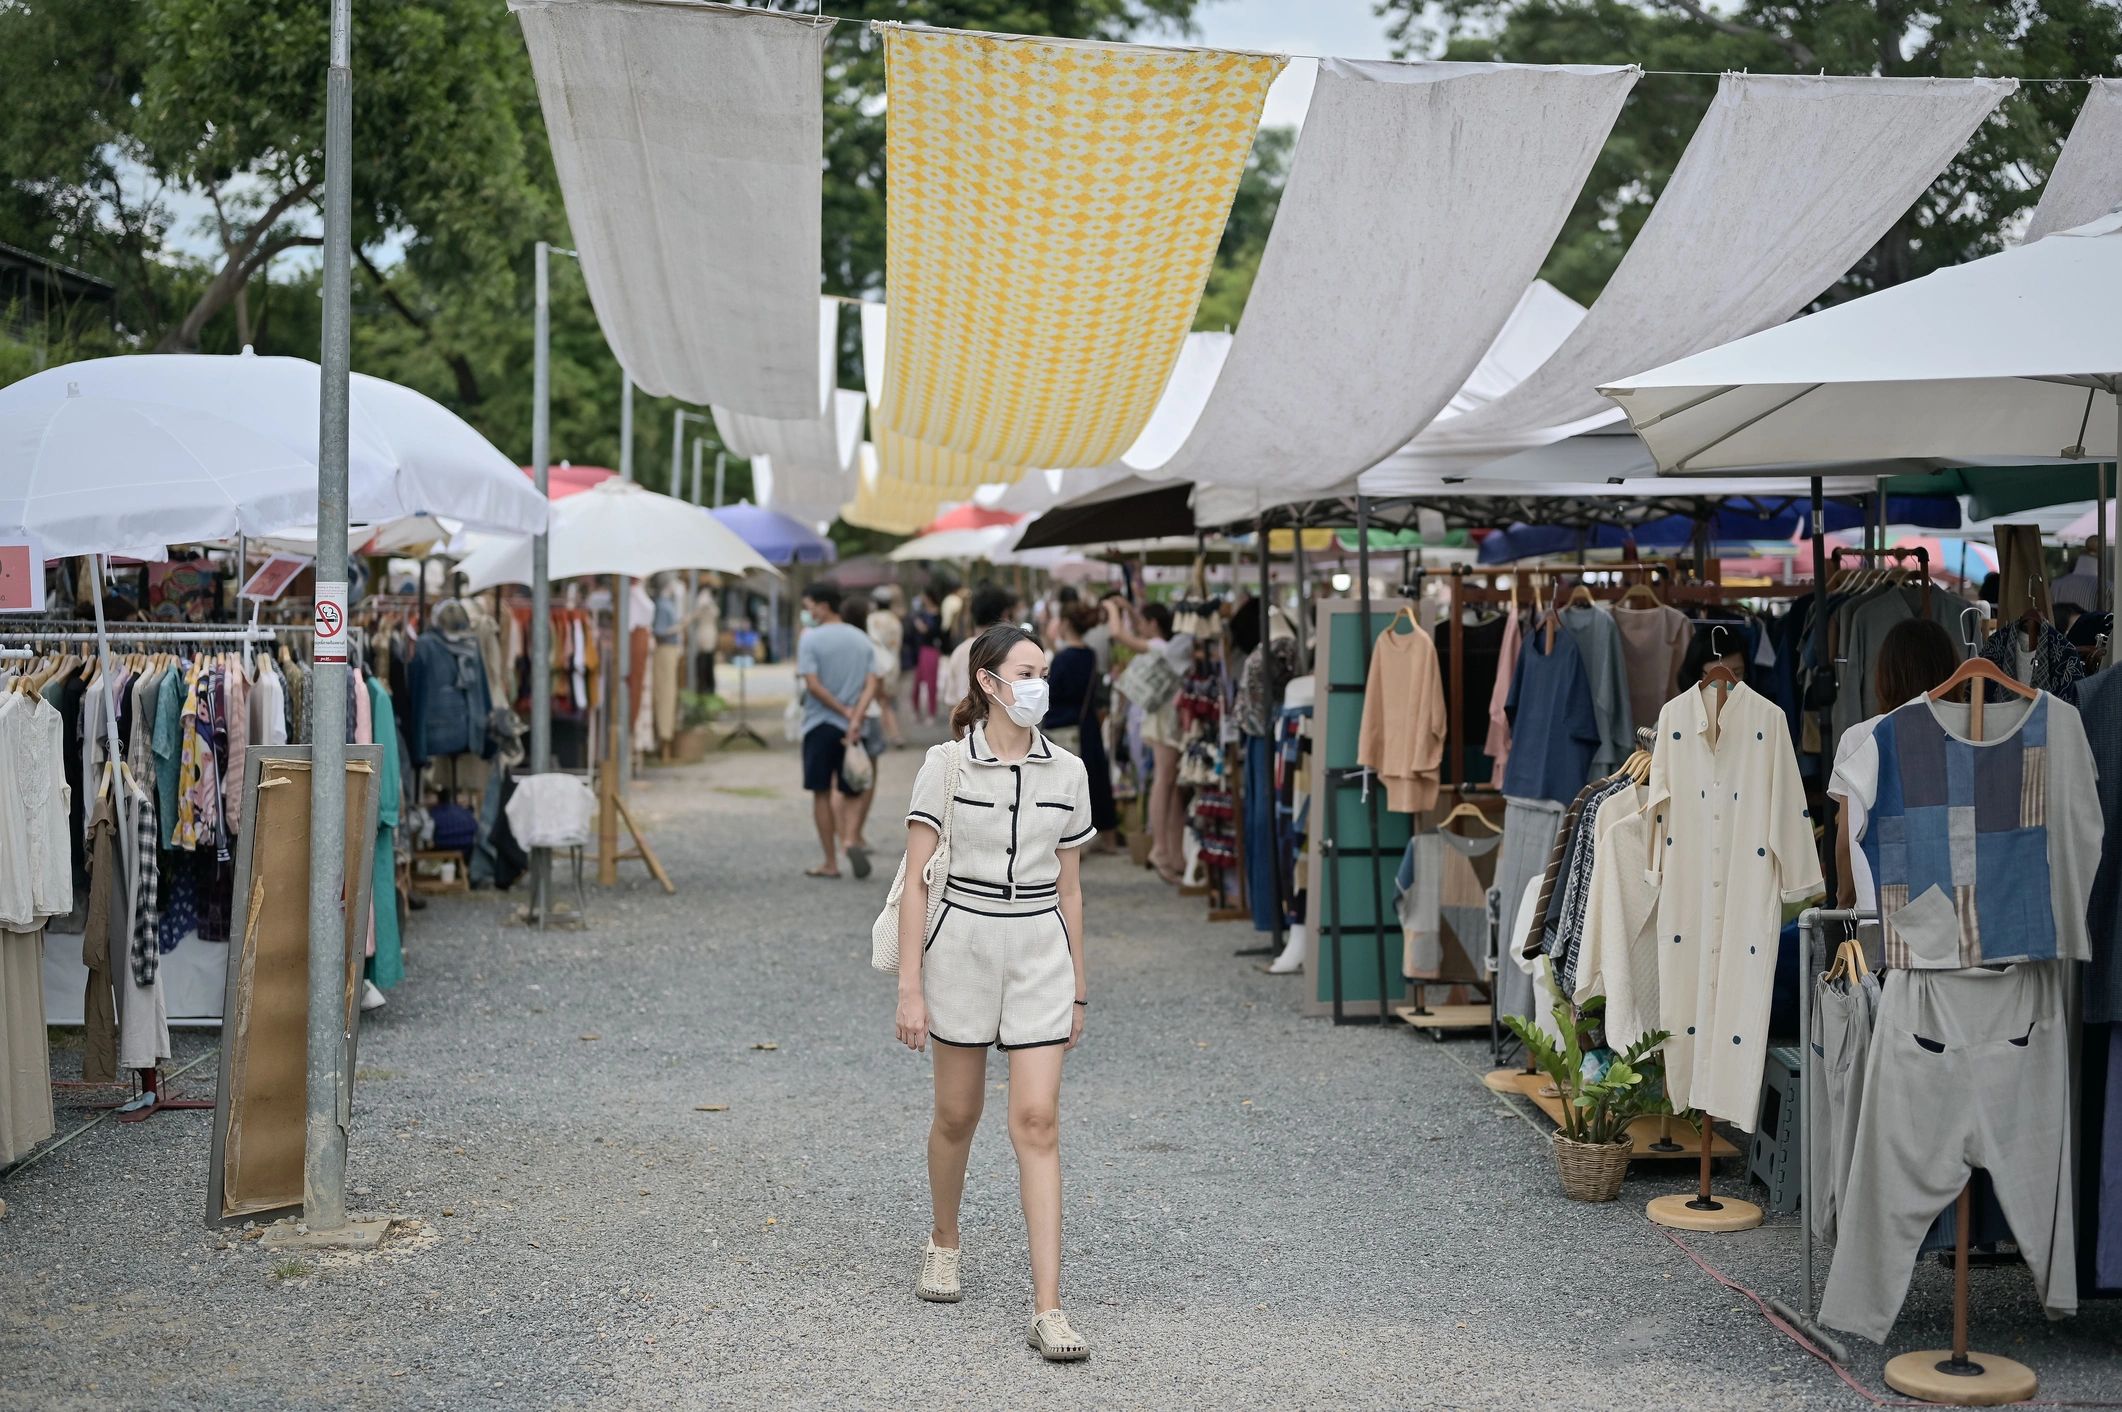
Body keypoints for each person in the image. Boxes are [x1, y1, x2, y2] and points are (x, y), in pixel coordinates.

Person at [894, 624, 1096, 1361]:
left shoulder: (1068, 772)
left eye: (1044, 669)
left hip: (1041, 950)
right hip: (964, 945)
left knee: (1038, 1121)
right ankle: (944, 1238)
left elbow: (1072, 890)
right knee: (956, 1114)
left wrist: (1079, 990)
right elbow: (917, 885)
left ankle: (1049, 1308)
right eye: (1027, 669)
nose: (1040, 681)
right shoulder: (945, 766)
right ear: (989, 681)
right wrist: (909, 988)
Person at [1829, 616, 1959, 908]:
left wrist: (1843, 899)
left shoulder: (1860, 737)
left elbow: (1846, 841)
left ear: (1886, 675)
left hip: (1883, 916)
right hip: (1960, 912)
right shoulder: (1971, 735)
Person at [795, 581, 877, 880]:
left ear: (823, 605)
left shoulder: (810, 640)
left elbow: (812, 684)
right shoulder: (861, 639)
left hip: (819, 724)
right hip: (854, 727)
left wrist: (841, 710)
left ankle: (830, 862)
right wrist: (855, 715)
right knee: (852, 787)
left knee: (820, 791)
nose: (809, 612)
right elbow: (872, 682)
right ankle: (851, 838)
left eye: (810, 606)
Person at [1105, 598, 1187, 884]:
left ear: (1154, 624)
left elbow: (1119, 634)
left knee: (1168, 783)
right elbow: (1134, 630)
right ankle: (1164, 850)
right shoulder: (1167, 646)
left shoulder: (1161, 647)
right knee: (1167, 782)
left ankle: (1166, 850)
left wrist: (1114, 611)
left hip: (1162, 717)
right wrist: (1126, 607)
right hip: (1166, 717)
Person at [1046, 604, 1119, 851]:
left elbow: (1052, 694)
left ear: (1065, 624)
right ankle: (1108, 838)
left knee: (1067, 786)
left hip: (1064, 725)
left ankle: (1074, 842)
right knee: (1096, 780)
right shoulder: (1090, 654)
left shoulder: (1062, 658)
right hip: (1087, 723)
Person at [840, 593, 890, 854]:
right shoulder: (870, 644)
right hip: (867, 713)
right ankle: (855, 834)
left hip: (838, 713)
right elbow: (879, 681)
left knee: (840, 777)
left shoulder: (836, 643)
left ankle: (842, 835)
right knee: (866, 776)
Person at [941, 583, 1010, 710]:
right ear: (1005, 614)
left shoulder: (960, 651)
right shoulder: (1011, 650)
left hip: (968, 727)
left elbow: (952, 702)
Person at [867, 585, 907, 749]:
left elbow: (872, 643)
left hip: (877, 666)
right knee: (887, 702)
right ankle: (894, 734)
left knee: (880, 702)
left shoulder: (872, 619)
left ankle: (891, 735)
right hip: (893, 666)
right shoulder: (895, 619)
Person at [906, 590, 945, 726]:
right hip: (921, 650)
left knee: (931, 683)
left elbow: (932, 632)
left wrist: (921, 627)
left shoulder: (937, 615)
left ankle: (931, 712)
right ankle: (916, 711)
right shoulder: (921, 613)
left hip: (931, 650)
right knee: (917, 683)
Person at [690, 575, 721, 696]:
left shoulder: (709, 598)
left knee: (708, 661)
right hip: (705, 632)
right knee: (705, 661)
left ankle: (708, 690)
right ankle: (705, 690)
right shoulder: (704, 598)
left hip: (709, 631)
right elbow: (696, 614)